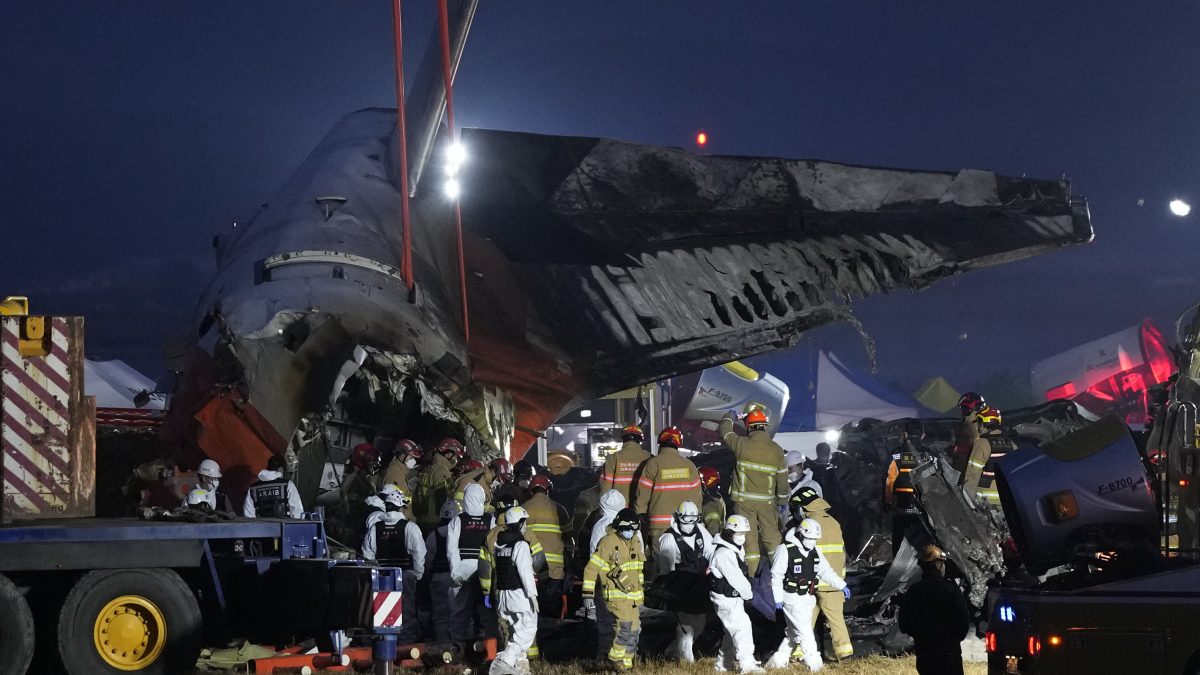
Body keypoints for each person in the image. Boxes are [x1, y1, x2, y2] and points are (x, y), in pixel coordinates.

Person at [765, 518, 850, 671]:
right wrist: (777, 598)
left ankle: (776, 663)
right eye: (810, 538)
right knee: (805, 632)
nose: (812, 542)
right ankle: (816, 665)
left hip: (808, 597)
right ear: (800, 535)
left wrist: (841, 585)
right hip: (791, 598)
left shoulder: (814, 550)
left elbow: (825, 571)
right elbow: (776, 576)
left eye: (814, 539)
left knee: (793, 634)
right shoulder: (785, 550)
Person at [720, 409, 788, 573]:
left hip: (744, 503)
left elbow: (725, 432)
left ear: (748, 427)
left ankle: (752, 576)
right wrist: (782, 502)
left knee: (749, 540)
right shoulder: (777, 450)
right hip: (767, 503)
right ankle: (780, 573)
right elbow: (782, 481)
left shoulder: (742, 444)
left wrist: (730, 417)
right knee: (772, 539)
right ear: (765, 427)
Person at [792, 487, 854, 662]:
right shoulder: (834, 522)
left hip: (812, 581)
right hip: (834, 581)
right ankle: (845, 654)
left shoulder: (808, 525)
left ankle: (798, 654)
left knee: (804, 620)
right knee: (836, 620)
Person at [582, 507, 645, 671]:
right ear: (619, 526)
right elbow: (591, 568)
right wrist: (587, 595)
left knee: (634, 629)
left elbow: (638, 570)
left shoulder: (636, 542)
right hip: (616, 596)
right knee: (623, 628)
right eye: (628, 529)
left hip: (633, 597)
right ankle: (615, 660)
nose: (631, 532)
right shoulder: (608, 542)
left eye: (634, 529)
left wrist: (641, 592)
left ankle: (627, 662)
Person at [362, 489, 426, 644]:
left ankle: (384, 642)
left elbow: (367, 555)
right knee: (407, 613)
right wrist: (417, 575)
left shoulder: (374, 528)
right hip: (404, 576)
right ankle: (406, 644)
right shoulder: (410, 528)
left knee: (382, 613)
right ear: (402, 507)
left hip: (382, 577)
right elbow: (420, 553)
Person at [898, 545, 970, 675]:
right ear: (938, 565)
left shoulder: (913, 591)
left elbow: (904, 624)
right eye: (943, 564)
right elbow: (963, 622)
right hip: (949, 655)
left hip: (925, 655)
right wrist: (951, 640)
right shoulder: (950, 589)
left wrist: (921, 636)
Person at [656, 501, 712, 663]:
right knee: (686, 626)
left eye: (693, 520)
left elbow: (710, 552)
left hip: (700, 584)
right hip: (681, 586)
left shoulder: (701, 531)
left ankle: (672, 650)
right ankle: (686, 663)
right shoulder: (668, 539)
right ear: (678, 518)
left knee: (699, 624)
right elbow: (667, 570)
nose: (689, 525)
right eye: (686, 520)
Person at [635, 426, 702, 557]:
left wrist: (641, 514)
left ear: (660, 443)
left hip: (659, 525)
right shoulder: (689, 466)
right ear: (678, 444)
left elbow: (642, 495)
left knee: (662, 565)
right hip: (685, 524)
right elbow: (697, 498)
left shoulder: (653, 464)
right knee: (684, 562)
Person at [708, 514, 762, 673]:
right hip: (725, 599)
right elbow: (736, 578)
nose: (742, 538)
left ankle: (723, 664)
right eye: (739, 534)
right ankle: (747, 665)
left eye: (744, 534)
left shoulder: (734, 548)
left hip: (732, 598)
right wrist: (749, 594)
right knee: (742, 628)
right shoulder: (724, 554)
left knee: (731, 631)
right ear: (729, 533)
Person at [489, 507, 540, 675]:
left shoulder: (500, 544)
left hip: (503, 595)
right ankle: (504, 662)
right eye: (524, 522)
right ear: (519, 523)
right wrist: (533, 596)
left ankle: (520, 668)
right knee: (528, 628)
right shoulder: (520, 545)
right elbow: (526, 573)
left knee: (515, 632)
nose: (526, 525)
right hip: (519, 594)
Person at [447, 482, 495, 642]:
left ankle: (457, 648)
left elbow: (451, 549)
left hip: (462, 570)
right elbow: (494, 548)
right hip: (484, 571)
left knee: (458, 613)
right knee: (486, 612)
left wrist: (455, 572)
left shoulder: (458, 520)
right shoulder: (491, 520)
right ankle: (488, 647)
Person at [522, 475, 573, 609]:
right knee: (551, 610)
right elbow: (569, 538)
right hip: (555, 571)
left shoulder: (522, 509)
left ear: (531, 490)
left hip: (531, 568)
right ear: (548, 490)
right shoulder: (559, 509)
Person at [886, 419, 927, 555]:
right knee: (925, 538)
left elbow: (889, 480)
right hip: (925, 507)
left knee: (899, 536)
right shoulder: (930, 455)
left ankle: (898, 568)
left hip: (901, 505)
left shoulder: (897, 455)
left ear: (905, 434)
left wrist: (887, 502)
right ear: (922, 435)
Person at [958, 405, 1012, 505]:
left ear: (984, 423)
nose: (977, 426)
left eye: (979, 422)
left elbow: (973, 475)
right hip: (1007, 502)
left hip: (986, 502)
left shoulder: (982, 444)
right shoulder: (1011, 444)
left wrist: (967, 502)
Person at [425, 499, 462, 642]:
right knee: (460, 613)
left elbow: (427, 559)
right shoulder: (460, 533)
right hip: (456, 578)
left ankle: (443, 645)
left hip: (438, 578)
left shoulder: (433, 535)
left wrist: (428, 577)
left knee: (440, 616)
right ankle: (459, 645)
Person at [414, 438, 462, 529]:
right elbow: (443, 497)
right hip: (436, 520)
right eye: (456, 457)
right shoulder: (441, 470)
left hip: (422, 518)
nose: (456, 460)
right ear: (448, 454)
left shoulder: (428, 468)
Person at [600, 424, 651, 506]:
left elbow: (605, 489)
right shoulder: (650, 458)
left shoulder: (612, 458)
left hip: (619, 511)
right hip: (642, 511)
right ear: (639, 440)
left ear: (623, 439)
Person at [699, 466, 727, 536]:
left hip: (713, 538)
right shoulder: (717, 497)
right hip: (719, 535)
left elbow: (713, 527)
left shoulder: (710, 502)